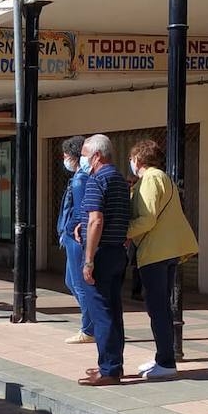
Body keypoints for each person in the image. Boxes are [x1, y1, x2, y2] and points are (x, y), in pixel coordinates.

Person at [125, 139, 198, 380]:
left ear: (138, 159)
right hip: (166, 250)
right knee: (162, 308)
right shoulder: (160, 178)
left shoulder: (151, 179)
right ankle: (162, 357)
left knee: (157, 309)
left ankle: (166, 362)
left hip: (156, 252)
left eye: (131, 159)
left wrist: (122, 231)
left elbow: (147, 219)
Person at [75, 134, 131, 387]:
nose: (82, 160)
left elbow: (97, 219)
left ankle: (108, 369)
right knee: (113, 310)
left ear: (97, 155)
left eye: (85, 154)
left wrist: (88, 259)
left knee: (101, 311)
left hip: (102, 253)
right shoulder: (119, 179)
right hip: (118, 250)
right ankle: (113, 364)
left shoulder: (96, 179)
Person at [57, 136, 93, 344]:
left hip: (74, 238)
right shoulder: (80, 177)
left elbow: (80, 212)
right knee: (71, 282)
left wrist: (68, 230)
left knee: (79, 284)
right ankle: (92, 322)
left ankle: (89, 327)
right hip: (70, 236)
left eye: (66, 155)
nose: (64, 159)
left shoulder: (80, 179)